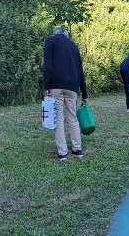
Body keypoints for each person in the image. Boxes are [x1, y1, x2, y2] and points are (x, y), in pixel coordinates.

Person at [44, 27, 88, 161]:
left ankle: (62, 152)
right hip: (72, 86)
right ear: (66, 35)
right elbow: (80, 70)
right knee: (72, 117)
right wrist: (84, 93)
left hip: (56, 85)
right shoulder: (73, 46)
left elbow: (47, 65)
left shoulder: (50, 41)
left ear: (54, 34)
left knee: (59, 117)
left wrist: (47, 86)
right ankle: (77, 149)